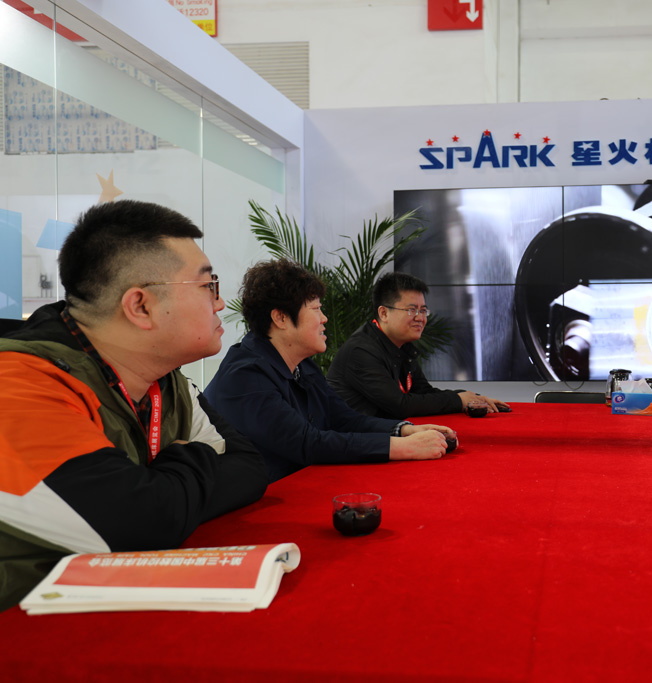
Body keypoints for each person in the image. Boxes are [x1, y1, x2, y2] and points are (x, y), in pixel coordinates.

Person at [0, 200, 268, 612]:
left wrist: (163, 488)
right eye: (207, 286)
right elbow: (142, 522)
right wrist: (186, 463)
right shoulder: (19, 384)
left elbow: (249, 468)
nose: (219, 303)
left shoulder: (165, 379)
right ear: (140, 306)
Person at [204, 261, 455, 482]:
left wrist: (405, 430)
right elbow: (307, 443)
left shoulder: (302, 364)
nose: (324, 318)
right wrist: (404, 448)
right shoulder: (244, 376)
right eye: (316, 309)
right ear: (280, 318)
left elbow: (344, 419)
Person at [327, 272, 508, 419]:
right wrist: (458, 400)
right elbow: (399, 405)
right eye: (411, 310)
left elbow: (423, 393)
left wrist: (472, 399)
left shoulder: (402, 346)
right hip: (353, 443)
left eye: (423, 310)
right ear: (383, 313)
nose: (420, 318)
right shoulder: (361, 351)